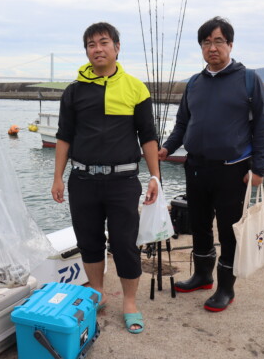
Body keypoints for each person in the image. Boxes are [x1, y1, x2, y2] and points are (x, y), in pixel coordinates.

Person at [51, 22, 160, 334]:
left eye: (103, 43)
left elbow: (148, 136)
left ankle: (129, 301)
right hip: (82, 180)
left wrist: (155, 176)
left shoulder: (136, 88)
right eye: (90, 45)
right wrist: (57, 177)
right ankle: (96, 293)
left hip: (123, 182)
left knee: (125, 243)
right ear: (86, 51)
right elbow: (64, 137)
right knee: (89, 241)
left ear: (116, 47)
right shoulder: (73, 91)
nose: (97, 49)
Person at [159, 16, 264, 312]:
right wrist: (168, 147)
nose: (212, 48)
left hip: (233, 169)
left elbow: (261, 126)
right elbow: (182, 122)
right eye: (206, 42)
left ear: (230, 44)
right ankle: (202, 275)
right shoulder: (194, 83)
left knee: (229, 229)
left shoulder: (249, 79)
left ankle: (226, 288)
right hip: (195, 166)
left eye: (218, 41)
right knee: (199, 224)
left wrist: (258, 169)